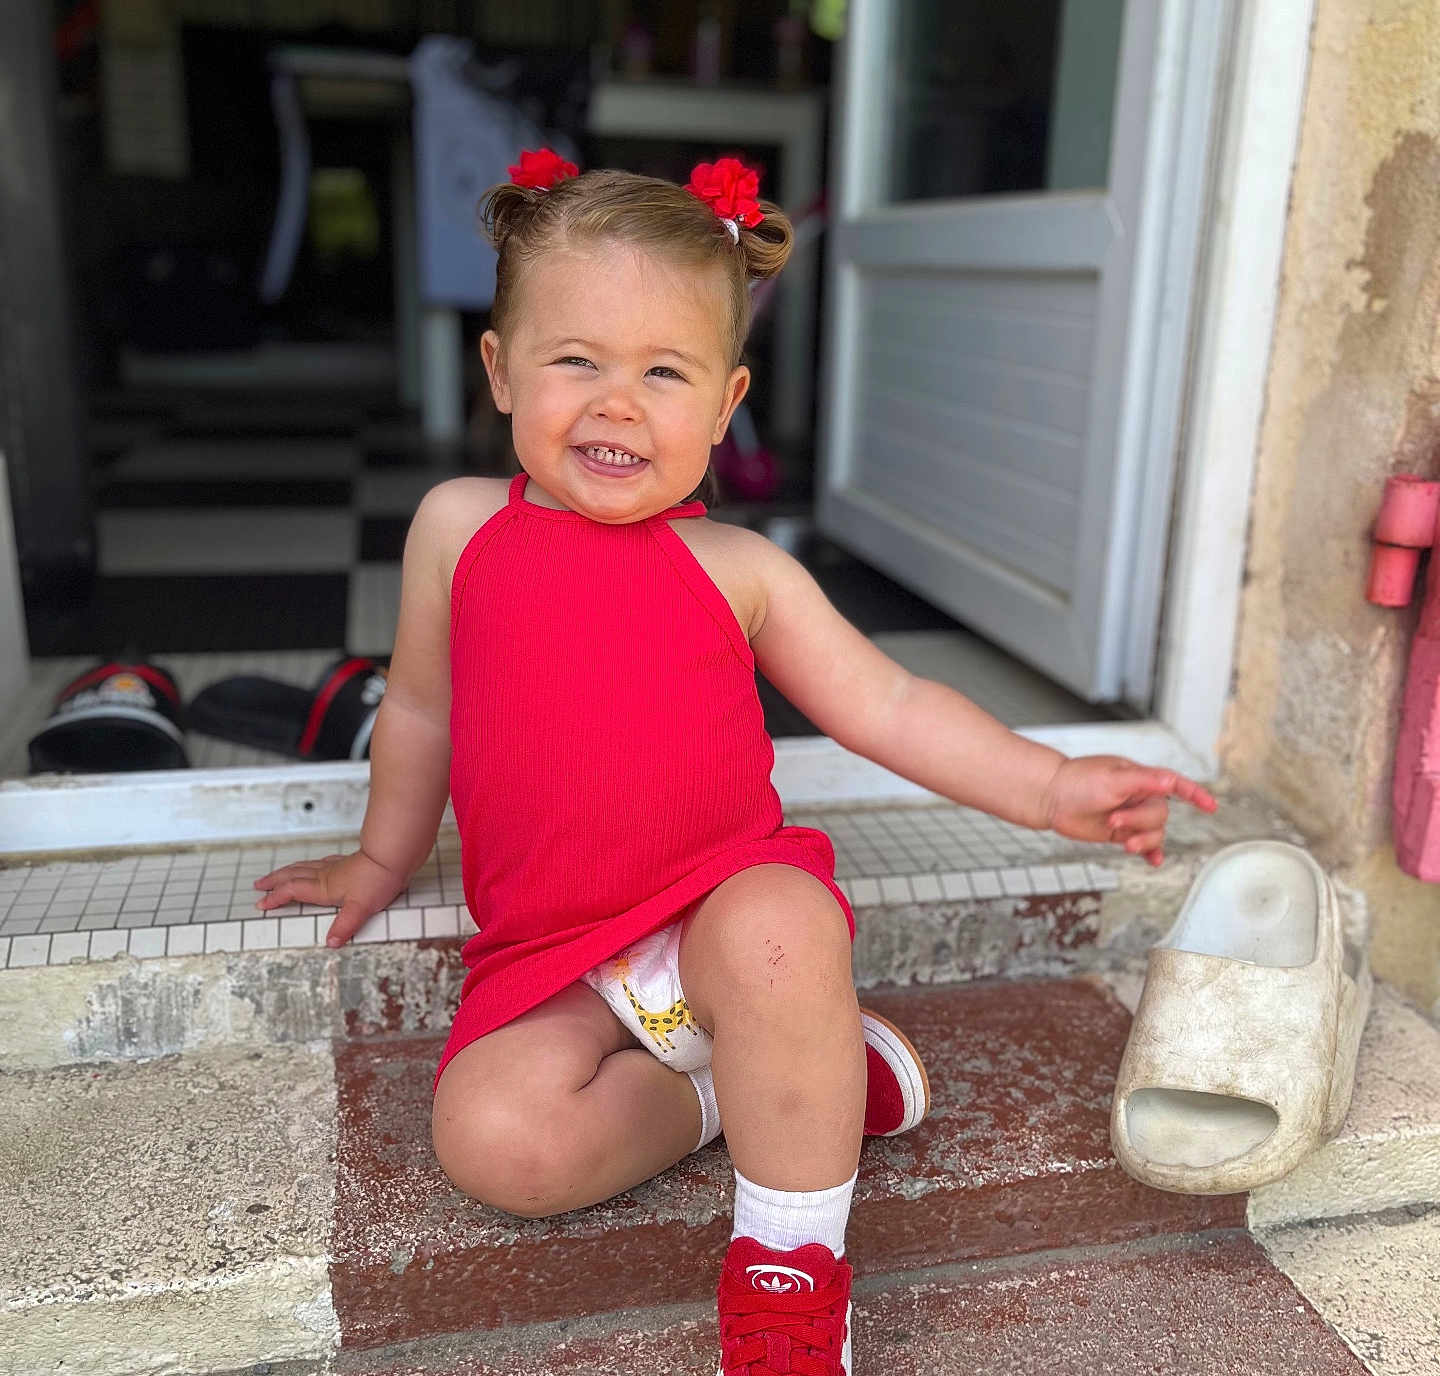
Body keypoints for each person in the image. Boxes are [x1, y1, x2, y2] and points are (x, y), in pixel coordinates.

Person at [253, 149, 1217, 1375]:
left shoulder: (741, 572)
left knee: (779, 926)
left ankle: (789, 1263)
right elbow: (425, 713)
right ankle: (786, 1085)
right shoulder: (458, 530)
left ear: (725, 405)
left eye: (664, 373)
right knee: (496, 1145)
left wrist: (1048, 784)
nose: (616, 403)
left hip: (719, 909)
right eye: (576, 361)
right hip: (556, 947)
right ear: (499, 370)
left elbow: (890, 702)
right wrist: (385, 856)